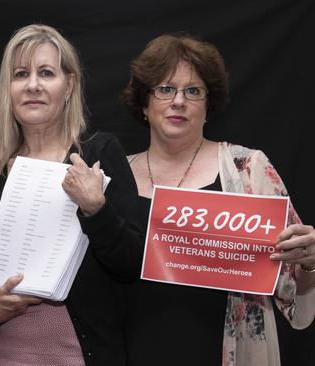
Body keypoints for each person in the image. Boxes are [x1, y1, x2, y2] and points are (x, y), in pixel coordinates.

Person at [121, 33, 315, 366]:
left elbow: (294, 292)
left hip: (223, 351)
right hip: (127, 349)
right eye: (165, 89)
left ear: (208, 105)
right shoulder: (112, 177)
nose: (179, 101)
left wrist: (309, 262)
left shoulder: (247, 169)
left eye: (193, 91)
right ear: (144, 103)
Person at [0, 24, 145, 365]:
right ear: (8, 88)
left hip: (79, 356)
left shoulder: (99, 154)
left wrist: (96, 209)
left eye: (46, 73)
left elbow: (132, 264)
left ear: (69, 85)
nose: (33, 85)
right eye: (21, 74)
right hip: (3, 356)